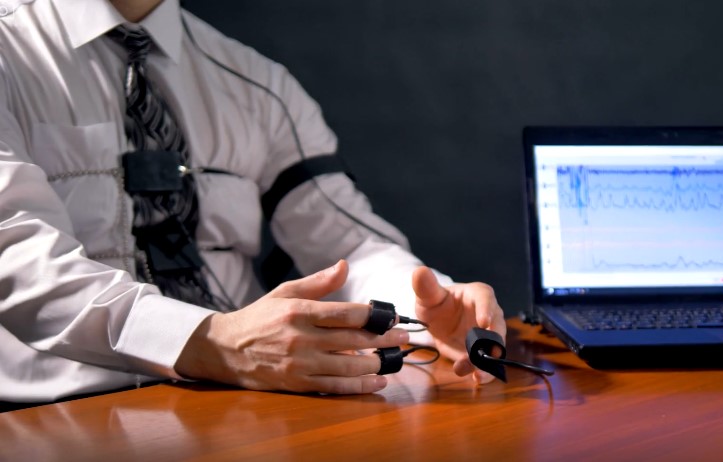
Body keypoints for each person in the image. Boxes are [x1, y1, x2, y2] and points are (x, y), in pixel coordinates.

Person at [0, 0, 506, 402]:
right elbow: (21, 265)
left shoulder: (260, 85)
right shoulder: (10, 52)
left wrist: (428, 302)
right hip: (52, 414)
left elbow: (346, 239)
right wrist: (210, 340)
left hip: (240, 401)